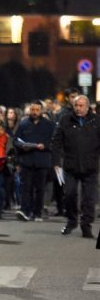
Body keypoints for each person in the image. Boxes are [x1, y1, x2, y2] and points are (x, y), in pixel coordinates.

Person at [53, 95, 100, 238]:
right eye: (76, 105)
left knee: (89, 198)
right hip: (71, 166)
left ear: (87, 107)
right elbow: (56, 142)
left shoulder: (96, 121)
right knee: (69, 195)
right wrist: (56, 162)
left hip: (90, 166)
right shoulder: (65, 120)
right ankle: (72, 220)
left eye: (81, 106)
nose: (78, 108)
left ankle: (86, 225)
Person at [14, 101, 55, 222]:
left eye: (37, 110)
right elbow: (16, 140)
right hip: (26, 161)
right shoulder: (23, 124)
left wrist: (45, 146)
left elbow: (55, 142)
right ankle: (26, 211)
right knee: (26, 188)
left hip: (42, 161)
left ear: (42, 110)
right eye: (32, 110)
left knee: (40, 188)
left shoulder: (49, 125)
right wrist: (22, 146)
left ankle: (38, 212)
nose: (35, 112)